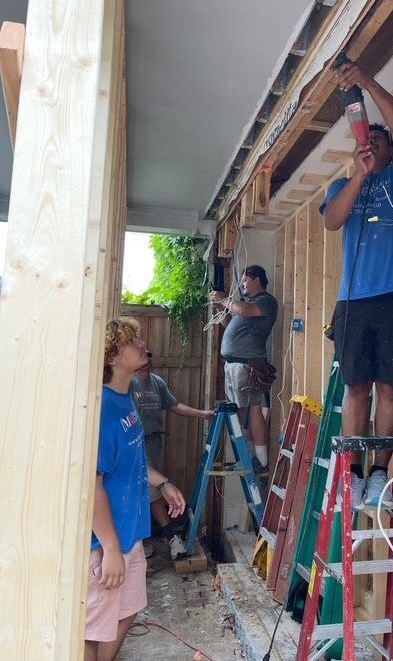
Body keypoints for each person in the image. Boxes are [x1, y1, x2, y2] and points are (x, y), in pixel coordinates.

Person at [321, 60, 393, 510]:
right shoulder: (346, 184)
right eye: (368, 141)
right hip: (353, 303)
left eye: (378, 142)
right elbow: (331, 221)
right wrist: (359, 176)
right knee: (356, 387)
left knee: (390, 389)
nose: (373, 145)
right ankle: (354, 474)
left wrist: (366, 81)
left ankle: (380, 473)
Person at [85, 317, 186, 661]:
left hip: (130, 534)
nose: (143, 345)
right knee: (90, 629)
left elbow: (132, 458)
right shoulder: (102, 410)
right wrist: (110, 549)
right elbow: (93, 483)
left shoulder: (126, 398)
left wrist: (163, 482)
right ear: (113, 357)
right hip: (105, 542)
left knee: (127, 613)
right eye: (133, 342)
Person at [132, 353, 214, 539]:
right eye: (142, 362)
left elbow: (174, 405)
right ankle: (170, 536)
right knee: (152, 489)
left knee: (147, 489)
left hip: (154, 443)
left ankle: (144, 539)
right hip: (136, 445)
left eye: (148, 362)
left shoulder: (156, 382)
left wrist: (202, 414)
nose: (146, 365)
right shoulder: (128, 384)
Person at [209, 265, 278, 472]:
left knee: (253, 409)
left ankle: (262, 461)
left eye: (245, 280)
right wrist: (222, 308)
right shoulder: (245, 305)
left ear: (257, 279)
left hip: (247, 365)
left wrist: (223, 299)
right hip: (234, 364)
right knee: (241, 413)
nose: (242, 285)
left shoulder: (265, 301)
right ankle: (250, 459)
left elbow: (244, 310)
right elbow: (230, 322)